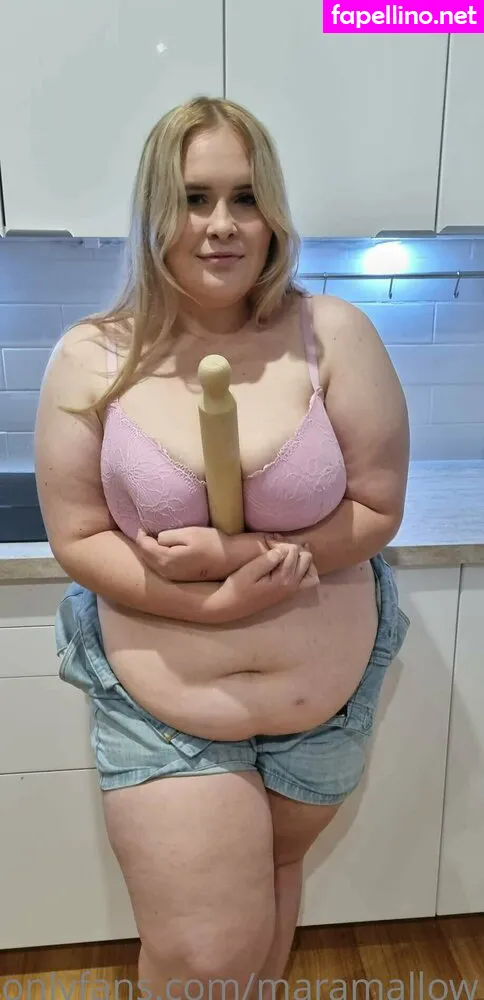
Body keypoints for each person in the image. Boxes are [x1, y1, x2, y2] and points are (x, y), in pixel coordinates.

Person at [35, 96, 410, 998]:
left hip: (323, 715)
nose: (221, 225)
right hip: (167, 716)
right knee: (205, 958)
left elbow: (378, 507)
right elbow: (77, 537)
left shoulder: (334, 335)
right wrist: (207, 603)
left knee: (269, 904)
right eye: (194, 198)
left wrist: (236, 560)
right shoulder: (92, 356)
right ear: (154, 212)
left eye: (245, 197)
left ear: (273, 212)